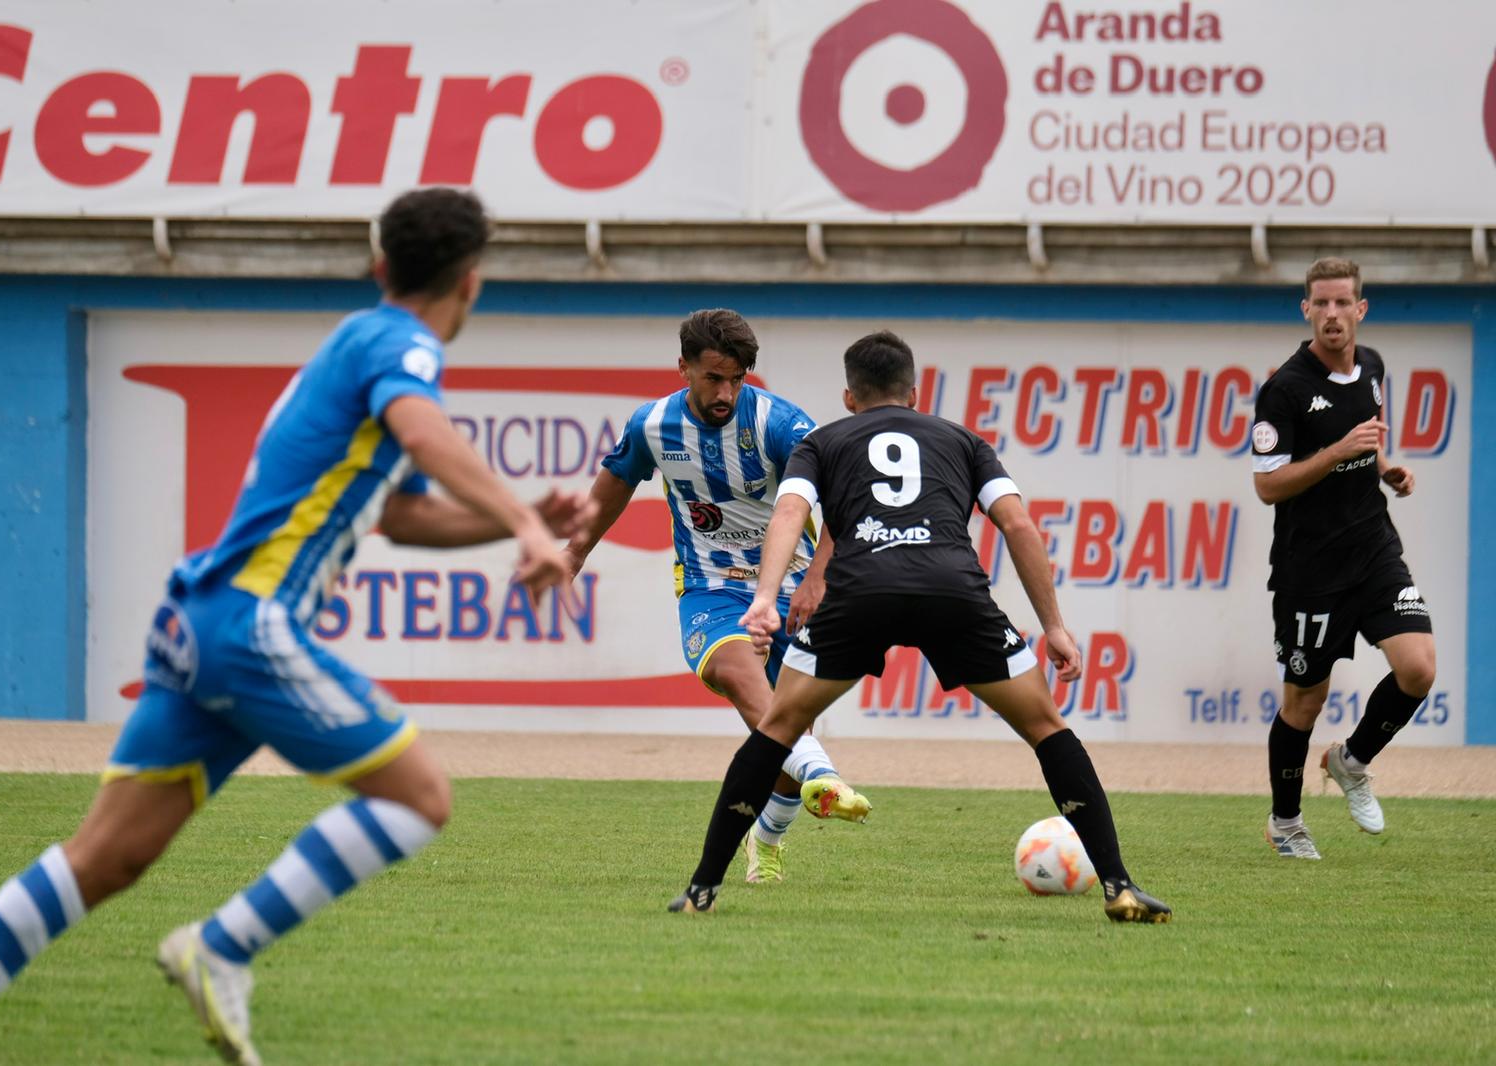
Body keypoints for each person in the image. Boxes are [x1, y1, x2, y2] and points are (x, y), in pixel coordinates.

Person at [0, 187, 593, 1066]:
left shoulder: (360, 345)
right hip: (248, 624)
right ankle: (219, 948)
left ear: (381, 265)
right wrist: (529, 526)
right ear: (474, 282)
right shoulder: (398, 342)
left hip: (201, 620)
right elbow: (422, 432)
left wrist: (517, 513)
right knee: (420, 797)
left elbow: (404, 517)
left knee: (107, 856)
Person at [666, 330, 1171, 923]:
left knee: (776, 728)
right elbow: (1020, 527)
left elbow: (789, 511)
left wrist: (766, 598)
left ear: (850, 397)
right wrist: (1053, 626)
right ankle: (1119, 885)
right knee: (1046, 727)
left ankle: (701, 890)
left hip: (860, 595)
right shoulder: (964, 441)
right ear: (916, 392)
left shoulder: (822, 442)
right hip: (951, 590)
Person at [563, 309, 870, 886]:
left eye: (738, 379)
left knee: (779, 725)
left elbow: (844, 497)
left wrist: (817, 577)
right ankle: (820, 770)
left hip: (791, 589)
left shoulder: (781, 423)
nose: (726, 391)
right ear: (683, 367)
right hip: (708, 585)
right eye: (713, 378)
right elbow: (614, 483)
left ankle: (769, 837)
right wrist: (573, 554)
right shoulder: (652, 424)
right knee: (735, 667)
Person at [1251, 257, 1435, 860]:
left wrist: (1388, 469)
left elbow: (1368, 437)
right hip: (1311, 567)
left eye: (1342, 303)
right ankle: (1285, 821)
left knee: (1419, 668)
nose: (1332, 315)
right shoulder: (1284, 389)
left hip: (1374, 548)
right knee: (1304, 700)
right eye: (1320, 304)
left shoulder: (1374, 365)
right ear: (1306, 310)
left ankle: (1351, 761)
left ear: (1361, 309)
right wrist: (1335, 453)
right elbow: (1268, 484)